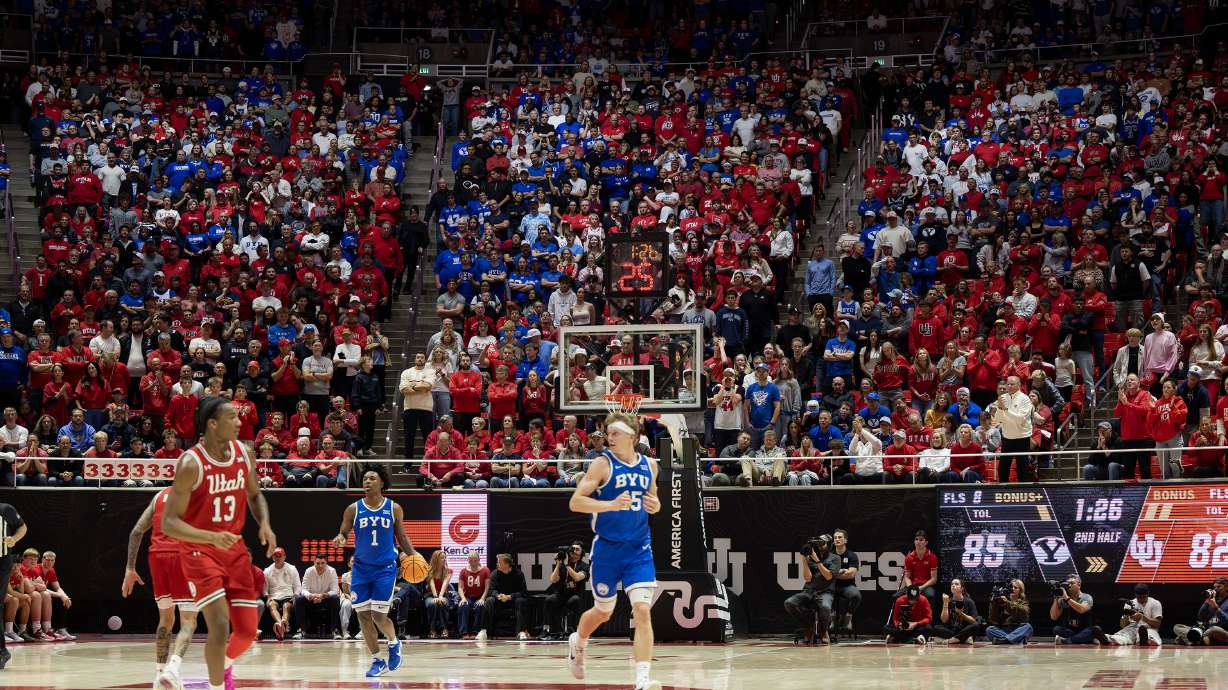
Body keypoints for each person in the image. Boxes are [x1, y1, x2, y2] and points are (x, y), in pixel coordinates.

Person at [158, 397, 277, 690]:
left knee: (248, 632)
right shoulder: (190, 462)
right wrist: (210, 536)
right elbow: (169, 522)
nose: (239, 422)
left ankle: (222, 666)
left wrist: (264, 523)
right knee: (220, 625)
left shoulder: (244, 452)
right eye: (231, 418)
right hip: (199, 551)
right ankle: (216, 687)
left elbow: (254, 494)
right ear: (212, 424)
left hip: (234, 550)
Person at [566, 411, 662, 690]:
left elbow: (653, 500)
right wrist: (608, 505)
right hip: (607, 549)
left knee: (642, 611)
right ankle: (579, 642)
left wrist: (656, 506)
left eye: (615, 433)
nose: (609, 437)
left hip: (639, 549)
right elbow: (576, 502)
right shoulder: (601, 464)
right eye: (608, 433)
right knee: (603, 611)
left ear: (631, 435)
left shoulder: (650, 466)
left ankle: (642, 680)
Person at [331, 466, 418, 677]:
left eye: (372, 478)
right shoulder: (353, 509)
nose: (367, 482)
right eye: (365, 479)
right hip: (361, 569)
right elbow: (343, 531)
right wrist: (340, 539)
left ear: (381, 483)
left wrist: (414, 555)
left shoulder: (393, 508)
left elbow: (402, 537)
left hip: (385, 569)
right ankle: (377, 660)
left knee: (379, 616)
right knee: (362, 616)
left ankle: (394, 643)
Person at [121, 488, 200, 689]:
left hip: (157, 557)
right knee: (189, 620)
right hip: (183, 557)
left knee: (165, 618)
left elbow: (136, 531)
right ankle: (173, 669)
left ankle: (159, 674)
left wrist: (130, 568)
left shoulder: (159, 496)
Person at [783, 534, 840, 644]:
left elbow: (828, 576)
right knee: (789, 603)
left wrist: (817, 561)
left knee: (825, 606)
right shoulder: (810, 558)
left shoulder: (835, 558)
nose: (819, 545)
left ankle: (824, 631)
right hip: (809, 591)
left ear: (828, 545)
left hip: (825, 592)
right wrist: (804, 559)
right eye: (818, 543)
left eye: (822, 543)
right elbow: (807, 578)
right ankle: (808, 626)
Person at [476, 554, 530, 641]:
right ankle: (483, 630)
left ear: (507, 564)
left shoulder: (518, 574)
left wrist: (510, 596)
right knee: (489, 600)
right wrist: (498, 595)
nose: (497, 564)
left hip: (513, 601)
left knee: (520, 601)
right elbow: (491, 590)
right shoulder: (494, 573)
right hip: (499, 600)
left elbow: (523, 592)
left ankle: (521, 631)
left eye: (499, 562)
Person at [542, 542, 589, 639]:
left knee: (575, 600)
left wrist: (567, 565)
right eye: (572, 549)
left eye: (577, 549)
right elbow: (553, 580)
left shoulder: (584, 566)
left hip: (575, 596)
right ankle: (547, 630)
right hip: (561, 595)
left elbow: (577, 577)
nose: (574, 551)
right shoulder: (562, 565)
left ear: (582, 553)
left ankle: (578, 631)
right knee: (549, 600)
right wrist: (558, 564)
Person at [0, 500, 27, 669]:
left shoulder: (5, 509)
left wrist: (14, 539)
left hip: (1, 562)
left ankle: (2, 651)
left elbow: (23, 527)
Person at [996, 376, 1035, 482]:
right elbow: (998, 418)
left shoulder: (1025, 399)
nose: (1009, 386)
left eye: (1012, 384)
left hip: (1022, 437)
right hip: (1007, 437)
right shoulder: (1003, 397)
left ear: (1019, 385)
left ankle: (1023, 490)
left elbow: (1020, 419)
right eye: (1007, 384)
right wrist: (999, 408)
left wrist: (1006, 410)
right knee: (1002, 467)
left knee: (1022, 467)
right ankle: (1003, 490)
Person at [295, 555, 342, 640]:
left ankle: (334, 630)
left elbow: (335, 590)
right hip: (312, 600)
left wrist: (322, 596)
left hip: (325, 600)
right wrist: (311, 596)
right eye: (318, 563)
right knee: (299, 599)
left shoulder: (332, 571)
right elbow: (304, 589)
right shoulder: (309, 571)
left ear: (326, 563)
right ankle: (301, 630)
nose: (320, 566)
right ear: (314, 563)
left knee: (335, 598)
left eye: (323, 563)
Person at [1050, 576, 1108, 644]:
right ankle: (1083, 639)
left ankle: (1067, 640)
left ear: (1079, 585)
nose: (1069, 585)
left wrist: (1067, 598)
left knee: (1095, 629)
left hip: (1085, 629)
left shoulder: (1086, 597)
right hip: (1070, 631)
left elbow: (1081, 610)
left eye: (1072, 583)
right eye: (1068, 583)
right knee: (1056, 629)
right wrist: (1056, 598)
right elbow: (1053, 617)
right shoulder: (1062, 600)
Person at [1173, 577, 1228, 646]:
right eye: (1214, 587)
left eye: (1219, 587)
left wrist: (1216, 607)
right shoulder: (1212, 600)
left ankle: (1195, 639)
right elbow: (1201, 617)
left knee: (1214, 629)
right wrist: (1206, 601)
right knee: (1177, 627)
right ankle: (1200, 639)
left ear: (1226, 587)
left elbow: (1227, 622)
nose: (1216, 589)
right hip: (1207, 631)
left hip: (1222, 632)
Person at [263, 547, 301, 640]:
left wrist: (295, 595)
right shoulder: (267, 571)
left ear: (284, 557)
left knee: (286, 607)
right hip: (274, 596)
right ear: (273, 557)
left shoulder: (292, 568)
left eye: (280, 556)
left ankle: (281, 626)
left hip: (288, 595)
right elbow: (265, 589)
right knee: (272, 605)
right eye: (275, 556)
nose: (277, 558)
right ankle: (281, 625)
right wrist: (267, 597)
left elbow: (297, 585)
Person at [930, 579, 982, 644]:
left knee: (976, 625)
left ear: (962, 589)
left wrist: (961, 613)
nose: (953, 585)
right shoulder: (948, 601)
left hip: (964, 629)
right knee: (936, 627)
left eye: (956, 584)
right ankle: (962, 639)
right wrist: (945, 603)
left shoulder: (969, 601)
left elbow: (973, 620)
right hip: (952, 631)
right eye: (952, 584)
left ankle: (952, 640)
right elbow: (944, 620)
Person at [831, 529, 861, 635]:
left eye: (840, 537)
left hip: (847, 586)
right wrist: (842, 571)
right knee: (823, 595)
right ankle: (832, 617)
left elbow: (851, 574)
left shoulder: (852, 556)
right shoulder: (829, 555)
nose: (837, 539)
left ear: (845, 540)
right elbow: (826, 574)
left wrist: (835, 573)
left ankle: (848, 617)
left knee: (856, 596)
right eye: (835, 538)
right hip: (832, 586)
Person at [985, 579, 1032, 644]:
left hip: (1018, 629)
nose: (1013, 589)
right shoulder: (1002, 600)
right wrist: (993, 604)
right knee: (989, 630)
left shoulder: (1023, 602)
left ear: (1020, 590)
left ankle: (1004, 640)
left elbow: (1024, 613)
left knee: (1028, 627)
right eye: (1011, 587)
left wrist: (1008, 603)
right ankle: (1017, 640)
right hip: (1005, 629)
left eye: (1015, 587)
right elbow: (993, 619)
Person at [456, 552, 490, 640]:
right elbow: (460, 587)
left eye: (475, 560)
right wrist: (463, 598)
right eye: (470, 560)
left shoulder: (485, 570)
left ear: (479, 560)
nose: (473, 562)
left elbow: (487, 587)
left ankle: (476, 632)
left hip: (479, 597)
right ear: (468, 560)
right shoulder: (463, 571)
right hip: (468, 597)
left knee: (480, 606)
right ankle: (464, 632)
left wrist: (482, 598)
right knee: (463, 606)